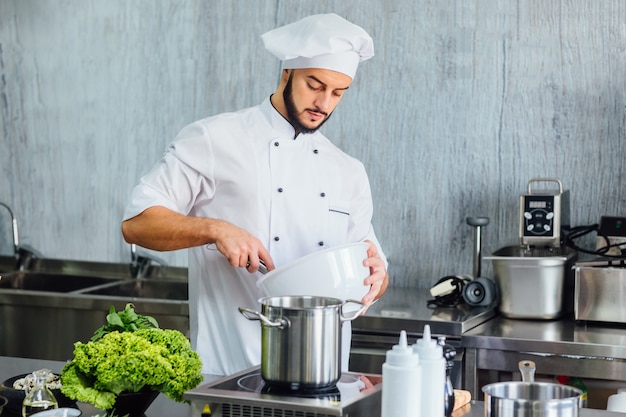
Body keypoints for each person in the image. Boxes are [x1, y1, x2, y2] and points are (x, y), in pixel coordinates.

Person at [121, 13, 389, 376]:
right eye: (315, 84)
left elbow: (371, 263)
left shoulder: (348, 170)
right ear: (287, 73)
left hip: (324, 376)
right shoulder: (215, 139)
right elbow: (137, 224)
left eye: (337, 93)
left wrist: (377, 277)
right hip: (229, 373)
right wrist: (216, 229)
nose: (324, 103)